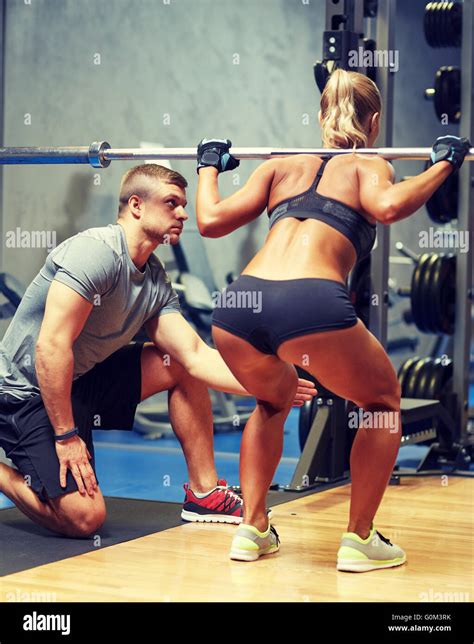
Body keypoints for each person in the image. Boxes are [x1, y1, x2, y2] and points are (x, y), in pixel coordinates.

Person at [195, 69, 471, 569]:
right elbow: (387, 209)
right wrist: (442, 165)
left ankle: (251, 529)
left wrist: (209, 164)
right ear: (375, 120)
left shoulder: (279, 166)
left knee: (272, 402)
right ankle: (359, 540)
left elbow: (209, 222)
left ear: (322, 115)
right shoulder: (369, 165)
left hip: (239, 306)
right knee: (383, 401)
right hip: (310, 303)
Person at [0, 163, 316, 538]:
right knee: (85, 518)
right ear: (136, 205)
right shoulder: (95, 253)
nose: (184, 213)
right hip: (26, 394)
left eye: (183, 204)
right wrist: (67, 437)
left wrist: (266, 383)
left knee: (179, 365)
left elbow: (195, 355)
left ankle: (204, 493)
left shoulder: (153, 278)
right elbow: (50, 348)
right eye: (172, 203)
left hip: (80, 380)